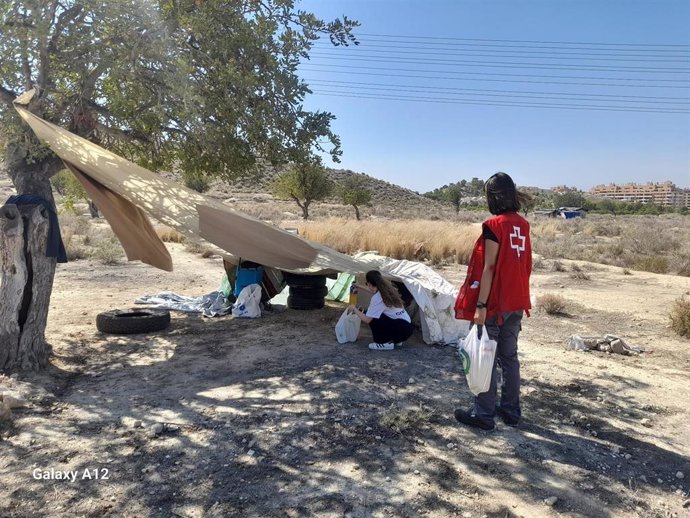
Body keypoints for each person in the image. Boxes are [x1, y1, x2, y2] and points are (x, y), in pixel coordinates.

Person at [453, 172, 532, 431]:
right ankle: (511, 410)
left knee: (484, 356)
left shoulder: (494, 226)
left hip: (496, 303)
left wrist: (481, 306)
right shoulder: (522, 224)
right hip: (517, 301)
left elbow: (488, 268)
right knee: (509, 358)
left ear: (492, 197)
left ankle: (484, 415)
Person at [349, 270, 414, 351]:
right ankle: (396, 340)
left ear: (369, 283)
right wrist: (359, 286)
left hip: (401, 330)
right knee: (378, 314)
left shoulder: (377, 298)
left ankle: (384, 343)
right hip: (407, 328)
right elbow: (375, 291)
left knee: (373, 317)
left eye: (367, 284)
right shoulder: (389, 289)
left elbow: (367, 320)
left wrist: (354, 308)